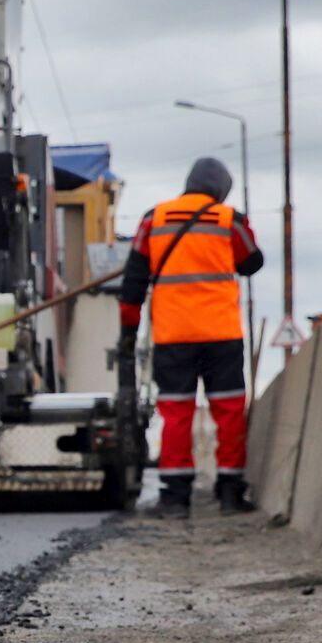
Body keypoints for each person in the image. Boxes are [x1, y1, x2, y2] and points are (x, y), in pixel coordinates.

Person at [118, 156, 263, 517]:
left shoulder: (154, 219)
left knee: (177, 411)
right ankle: (229, 494)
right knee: (228, 411)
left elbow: (133, 283)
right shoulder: (231, 220)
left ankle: (174, 500)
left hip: (174, 336)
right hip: (222, 335)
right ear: (219, 190)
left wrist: (128, 332)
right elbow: (252, 263)